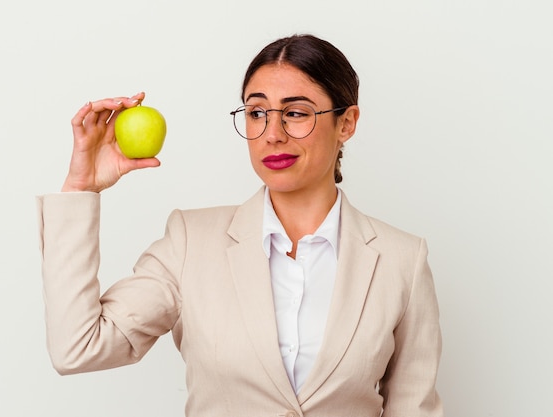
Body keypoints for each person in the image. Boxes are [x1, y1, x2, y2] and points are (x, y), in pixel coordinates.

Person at [37, 34, 444, 417]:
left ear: (347, 123)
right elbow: (78, 349)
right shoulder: (189, 242)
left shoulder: (401, 261)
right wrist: (81, 188)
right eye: (257, 112)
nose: (272, 134)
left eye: (296, 113)